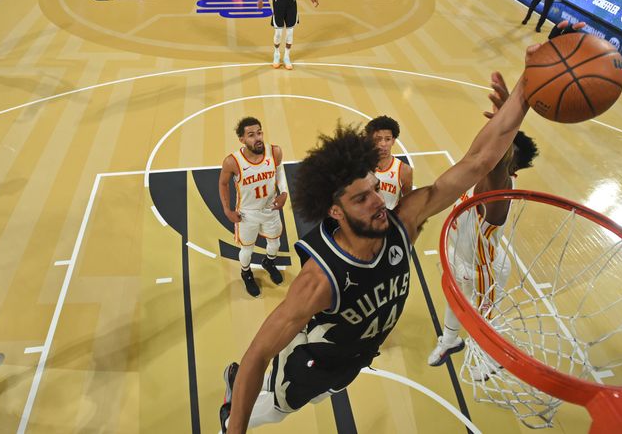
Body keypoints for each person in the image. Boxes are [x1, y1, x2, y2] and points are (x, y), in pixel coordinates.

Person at [218, 44, 536, 433]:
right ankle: (231, 413)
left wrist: (524, 94)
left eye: (374, 189)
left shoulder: (404, 221)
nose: (378, 202)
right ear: (335, 211)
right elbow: (257, 355)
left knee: (324, 391)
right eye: (362, 198)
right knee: (281, 406)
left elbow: (477, 161)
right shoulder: (319, 280)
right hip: (315, 356)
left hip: (357, 354)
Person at [426, 20, 578, 376]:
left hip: (485, 267)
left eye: (502, 154)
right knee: (453, 297)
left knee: (483, 314)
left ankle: (488, 355)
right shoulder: (483, 173)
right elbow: (483, 151)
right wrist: (507, 113)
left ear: (511, 165)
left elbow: (491, 161)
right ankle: (450, 339)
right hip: (460, 253)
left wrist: (510, 119)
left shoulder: (498, 195)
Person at [218, 117, 288, 298]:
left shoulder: (274, 152)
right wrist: (227, 210)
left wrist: (284, 193)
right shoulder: (232, 162)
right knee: (247, 249)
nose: (257, 138)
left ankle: (269, 262)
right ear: (242, 139)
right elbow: (223, 184)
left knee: (276, 243)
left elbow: (279, 170)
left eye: (259, 133)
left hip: (270, 209)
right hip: (247, 214)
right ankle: (246, 272)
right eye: (251, 135)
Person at [365, 115, 413, 211]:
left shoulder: (404, 170)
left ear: (393, 141)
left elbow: (408, 201)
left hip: (390, 221)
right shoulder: (361, 167)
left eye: (387, 139)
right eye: (378, 139)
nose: (383, 144)